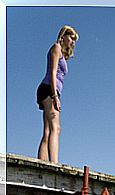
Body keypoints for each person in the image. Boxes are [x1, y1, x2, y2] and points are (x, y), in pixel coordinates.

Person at [36, 25, 79, 163]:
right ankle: (54, 164)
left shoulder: (62, 53)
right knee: (56, 128)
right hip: (49, 89)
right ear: (63, 36)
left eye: (74, 40)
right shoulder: (56, 48)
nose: (72, 41)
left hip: (49, 90)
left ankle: (41, 164)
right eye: (71, 37)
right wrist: (55, 96)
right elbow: (53, 72)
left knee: (48, 131)